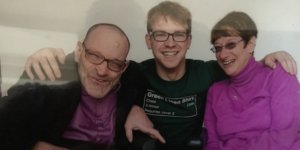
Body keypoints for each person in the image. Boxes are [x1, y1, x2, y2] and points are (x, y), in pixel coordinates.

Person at [22, 1, 297, 150]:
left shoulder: (208, 71)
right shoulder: (132, 73)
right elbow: (97, 63)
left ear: (189, 41)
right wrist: (47, 52)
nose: (169, 43)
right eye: (160, 35)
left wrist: (265, 59)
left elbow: (236, 65)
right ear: (148, 40)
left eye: (178, 35)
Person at [0, 23, 145, 150]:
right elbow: (6, 121)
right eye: (94, 56)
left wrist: (137, 107)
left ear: (124, 67)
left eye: (115, 64)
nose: (102, 71)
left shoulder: (132, 78)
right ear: (78, 51)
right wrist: (32, 146)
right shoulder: (51, 72)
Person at [204, 11, 300, 150]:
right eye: (218, 48)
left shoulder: (279, 75)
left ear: (250, 44)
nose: (223, 55)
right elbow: (212, 144)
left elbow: (282, 138)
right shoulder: (215, 91)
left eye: (231, 45)